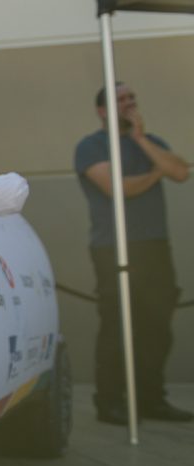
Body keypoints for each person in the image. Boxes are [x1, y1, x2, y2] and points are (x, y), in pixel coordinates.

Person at [74, 82, 191, 424]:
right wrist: (158, 172)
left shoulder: (152, 143)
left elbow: (181, 172)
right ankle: (109, 401)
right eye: (120, 100)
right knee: (117, 325)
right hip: (113, 247)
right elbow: (118, 189)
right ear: (102, 110)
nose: (129, 104)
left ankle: (151, 399)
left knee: (157, 327)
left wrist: (141, 141)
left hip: (155, 246)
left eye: (131, 99)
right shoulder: (91, 146)